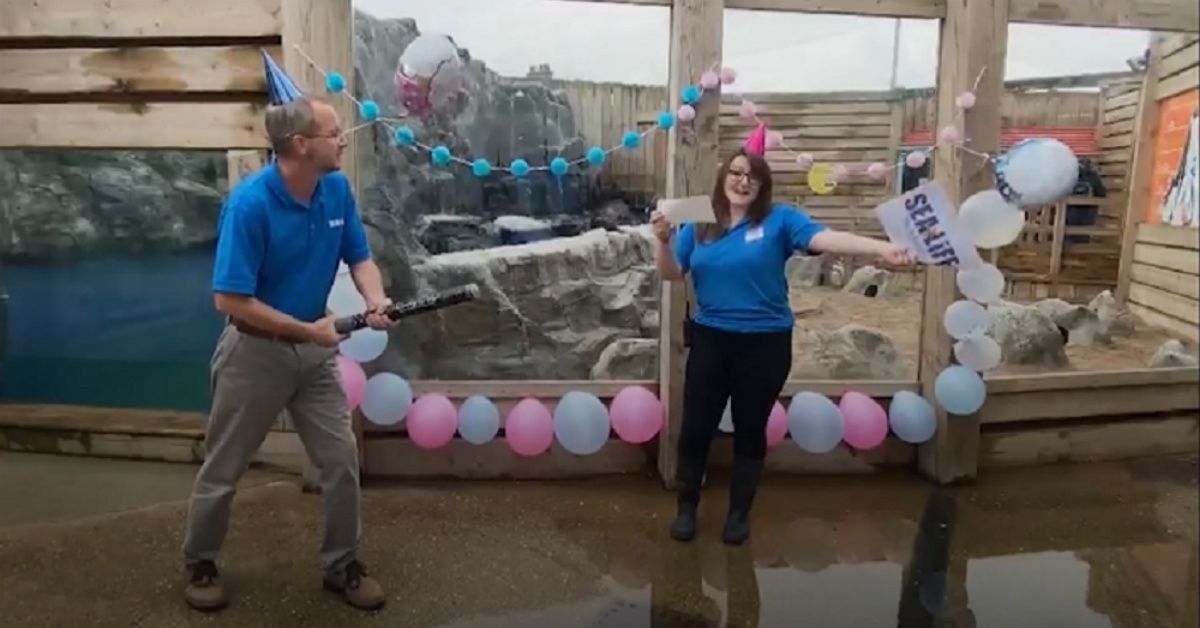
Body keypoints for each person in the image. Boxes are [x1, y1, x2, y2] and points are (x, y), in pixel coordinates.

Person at [181, 96, 394, 612]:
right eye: (334, 132)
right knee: (224, 466)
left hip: (314, 357)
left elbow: (359, 258)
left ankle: (341, 563)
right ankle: (200, 561)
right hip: (255, 353)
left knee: (341, 460)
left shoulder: (336, 190)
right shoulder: (250, 204)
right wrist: (305, 330)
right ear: (301, 145)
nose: (344, 139)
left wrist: (376, 299)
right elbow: (229, 299)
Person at [650, 147, 913, 546]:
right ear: (723, 178)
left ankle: (739, 514)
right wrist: (663, 242)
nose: (742, 181)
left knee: (750, 427)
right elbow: (671, 274)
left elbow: (825, 238)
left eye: (752, 176)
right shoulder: (699, 226)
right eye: (736, 173)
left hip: (765, 342)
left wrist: (879, 249)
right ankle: (687, 508)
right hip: (712, 339)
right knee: (696, 426)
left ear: (762, 186)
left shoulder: (780, 220)